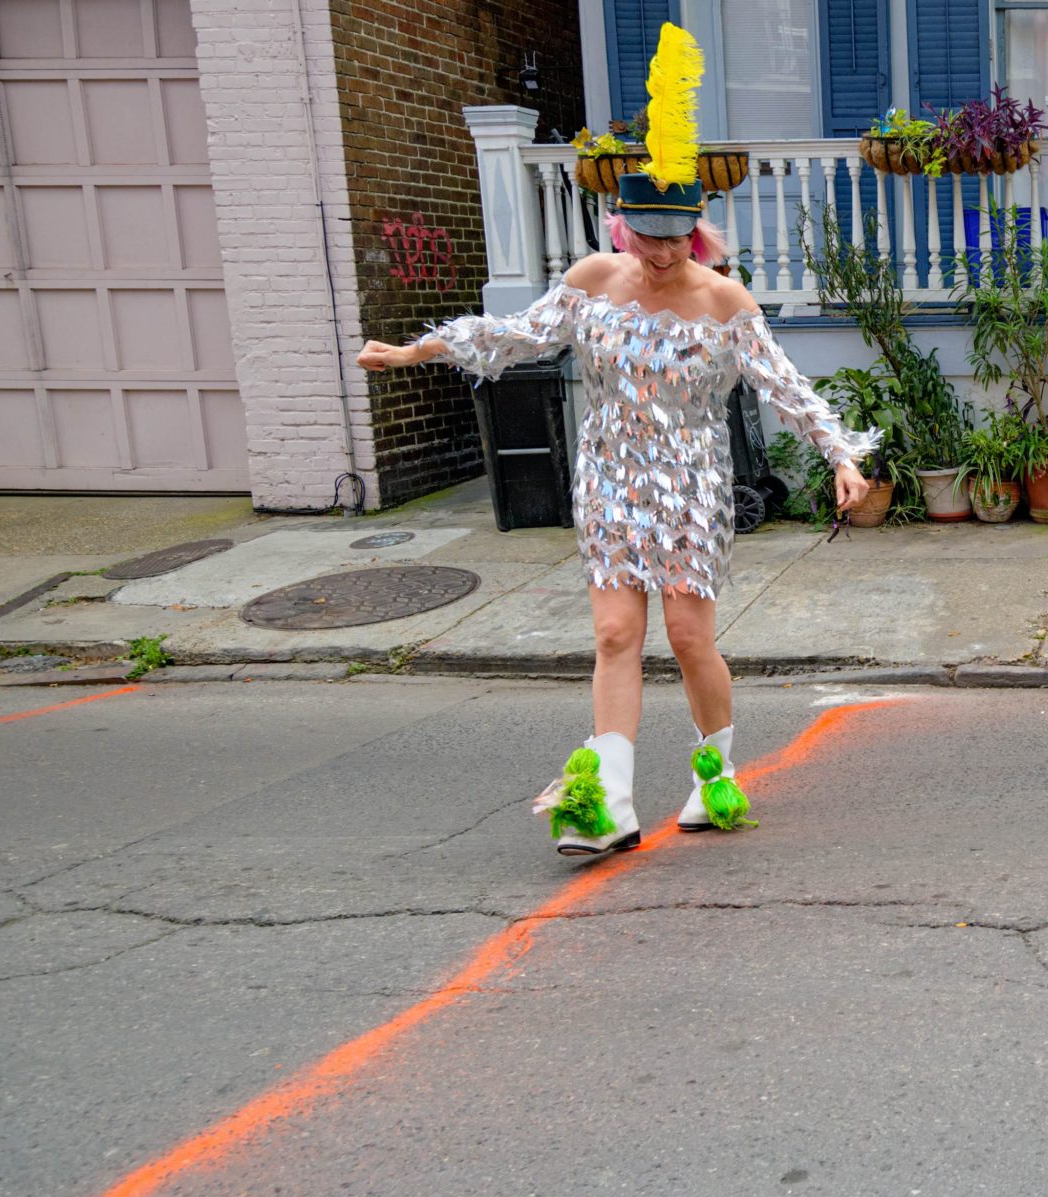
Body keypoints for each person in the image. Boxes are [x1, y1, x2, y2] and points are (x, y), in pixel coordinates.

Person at [358, 24, 874, 855]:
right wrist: (419, 348)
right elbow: (518, 335)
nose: (663, 252)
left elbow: (788, 386)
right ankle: (614, 804)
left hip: (691, 483)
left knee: (690, 636)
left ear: (695, 229)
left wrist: (842, 455)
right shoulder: (593, 282)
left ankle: (717, 772)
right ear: (621, 226)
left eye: (677, 236)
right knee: (612, 635)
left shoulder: (725, 301)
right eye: (648, 234)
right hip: (609, 479)